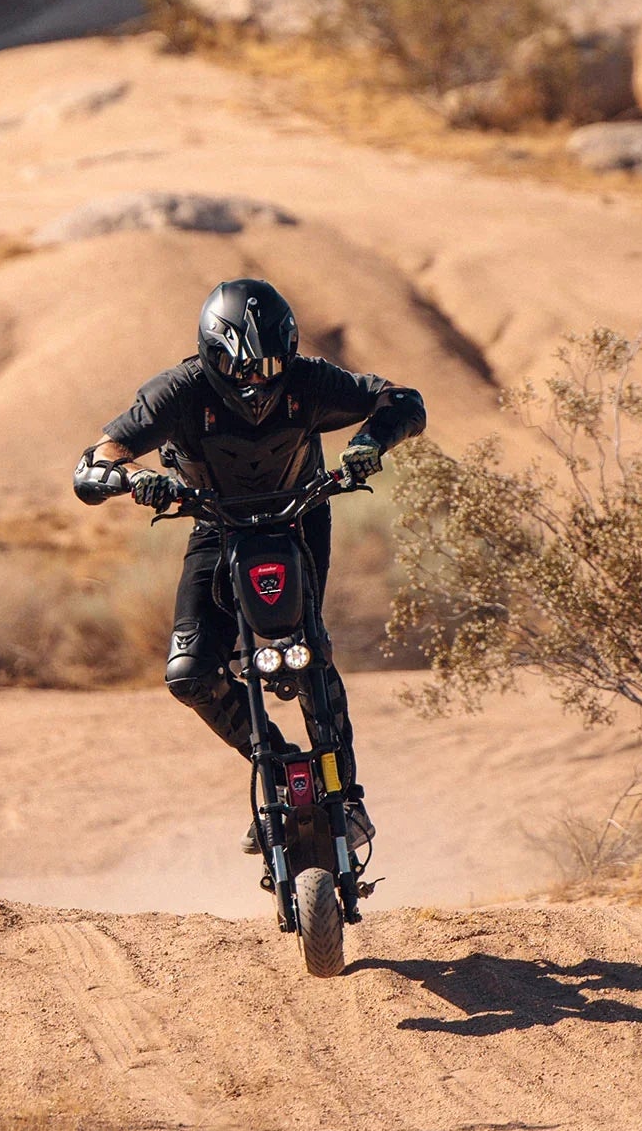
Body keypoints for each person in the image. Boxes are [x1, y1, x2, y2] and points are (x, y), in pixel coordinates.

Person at [72, 277, 426, 855]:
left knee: (308, 652)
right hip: (217, 528)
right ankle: (281, 771)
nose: (257, 380)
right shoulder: (177, 392)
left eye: (270, 365)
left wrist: (370, 442)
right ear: (210, 355)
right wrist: (134, 479)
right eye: (240, 367)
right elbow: (95, 461)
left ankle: (347, 797)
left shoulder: (310, 381)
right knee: (189, 674)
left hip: (298, 520)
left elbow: (403, 400)